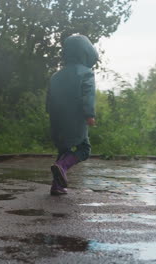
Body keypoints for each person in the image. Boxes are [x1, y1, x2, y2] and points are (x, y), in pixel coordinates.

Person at [46, 34, 98, 195]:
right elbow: (87, 94)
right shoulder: (86, 73)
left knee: (64, 150)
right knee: (84, 149)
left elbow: (49, 99)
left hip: (57, 118)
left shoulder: (56, 75)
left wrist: (51, 114)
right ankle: (63, 167)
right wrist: (89, 114)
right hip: (75, 117)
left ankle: (57, 186)